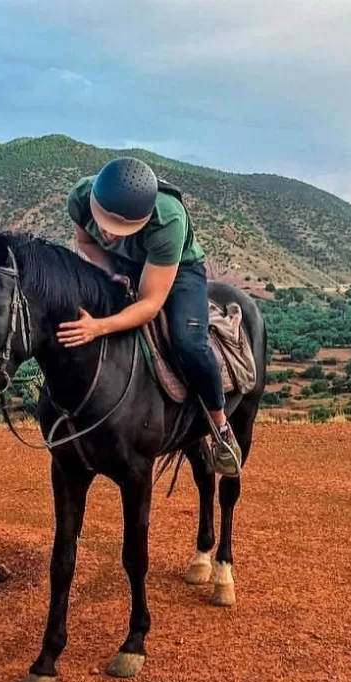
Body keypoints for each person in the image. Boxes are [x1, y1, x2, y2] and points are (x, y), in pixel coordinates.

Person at [55, 156, 242, 477]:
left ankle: (220, 427)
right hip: (120, 263)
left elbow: (150, 303)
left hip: (177, 270)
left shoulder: (167, 219)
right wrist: (110, 273)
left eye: (118, 229)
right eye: (104, 223)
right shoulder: (81, 197)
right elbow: (86, 241)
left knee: (189, 343)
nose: (108, 233)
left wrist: (98, 327)